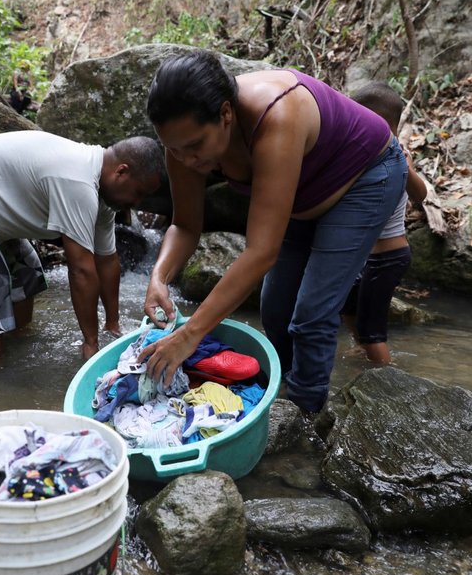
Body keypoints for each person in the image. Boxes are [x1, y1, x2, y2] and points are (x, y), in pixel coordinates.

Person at [139, 50, 407, 414]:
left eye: (194, 147)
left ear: (225, 114)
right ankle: (287, 398)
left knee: (311, 315)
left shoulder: (276, 115)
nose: (186, 160)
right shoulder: (183, 141)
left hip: (367, 177)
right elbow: (185, 225)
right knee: (276, 310)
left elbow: (261, 252)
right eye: (173, 148)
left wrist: (189, 336)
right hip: (300, 196)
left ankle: (306, 418)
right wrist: (160, 276)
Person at [0, 130, 165, 362]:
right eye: (139, 193)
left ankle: (17, 345)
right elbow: (81, 270)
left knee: (27, 271)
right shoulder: (77, 180)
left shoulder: (102, 196)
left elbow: (106, 260)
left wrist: (113, 324)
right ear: (121, 171)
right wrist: (91, 344)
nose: (136, 202)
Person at [340, 82, 428, 365]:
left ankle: (386, 380)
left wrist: (404, 164)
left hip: (388, 256)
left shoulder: (397, 154)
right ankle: (363, 351)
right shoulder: (358, 153)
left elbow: (421, 194)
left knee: (372, 331)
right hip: (367, 257)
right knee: (348, 307)